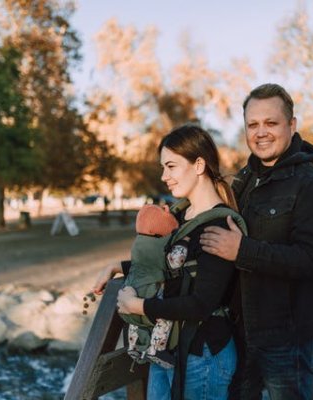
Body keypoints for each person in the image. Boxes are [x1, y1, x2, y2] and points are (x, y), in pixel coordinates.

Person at [200, 83, 313, 399]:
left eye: (271, 123)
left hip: (290, 336)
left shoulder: (311, 185)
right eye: (253, 125)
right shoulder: (243, 181)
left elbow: (312, 259)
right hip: (243, 331)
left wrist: (243, 251)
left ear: (292, 125)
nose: (261, 132)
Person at [93, 124, 241, 400]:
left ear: (198, 165)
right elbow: (174, 268)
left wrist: (139, 306)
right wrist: (118, 266)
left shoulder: (218, 224)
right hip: (167, 350)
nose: (164, 176)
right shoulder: (179, 218)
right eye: (163, 167)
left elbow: (202, 304)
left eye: (171, 166)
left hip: (203, 354)